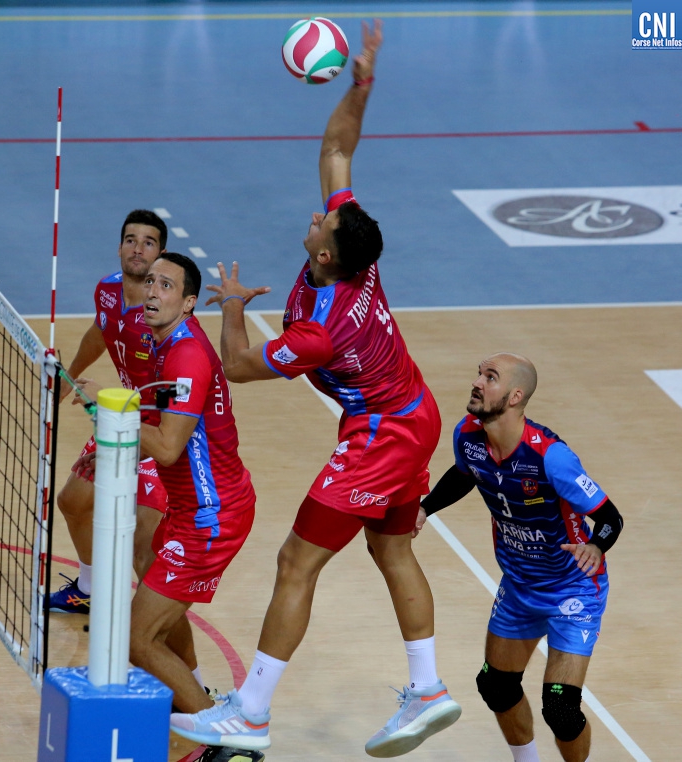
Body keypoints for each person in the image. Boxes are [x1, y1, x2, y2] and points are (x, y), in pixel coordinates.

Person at [169, 21, 461, 757]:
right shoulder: (357, 256)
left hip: (381, 436)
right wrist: (361, 82)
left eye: (321, 221)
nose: (315, 214)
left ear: (325, 255)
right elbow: (336, 148)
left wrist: (231, 309)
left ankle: (251, 713)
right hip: (413, 414)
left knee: (295, 561)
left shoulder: (321, 331)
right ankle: (427, 688)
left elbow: (238, 369)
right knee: (392, 553)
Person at [414, 353, 623, 762]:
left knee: (560, 709)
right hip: (519, 587)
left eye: (490, 377)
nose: (477, 382)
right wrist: (426, 508)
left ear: (514, 397)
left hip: (572, 589)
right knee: (496, 687)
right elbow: (464, 473)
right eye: (479, 373)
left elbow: (610, 518)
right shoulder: (468, 435)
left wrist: (596, 546)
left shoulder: (551, 458)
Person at [127, 252, 258, 715]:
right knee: (152, 613)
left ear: (188, 303)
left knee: (137, 640)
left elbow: (166, 448)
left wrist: (114, 412)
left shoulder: (185, 356)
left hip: (211, 517)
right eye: (150, 281)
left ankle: (217, 731)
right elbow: (164, 428)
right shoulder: (169, 343)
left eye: (166, 285)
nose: (152, 291)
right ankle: (196, 699)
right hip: (191, 508)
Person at [49, 209, 170, 615]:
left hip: (162, 431)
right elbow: (102, 330)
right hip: (124, 417)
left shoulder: (161, 316)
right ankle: (90, 589)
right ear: (119, 247)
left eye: (148, 243)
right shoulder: (107, 290)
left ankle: (154, 627)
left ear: (160, 255)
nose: (137, 249)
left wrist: (108, 398)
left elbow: (177, 395)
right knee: (73, 501)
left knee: (143, 546)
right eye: (131, 240)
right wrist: (70, 376)